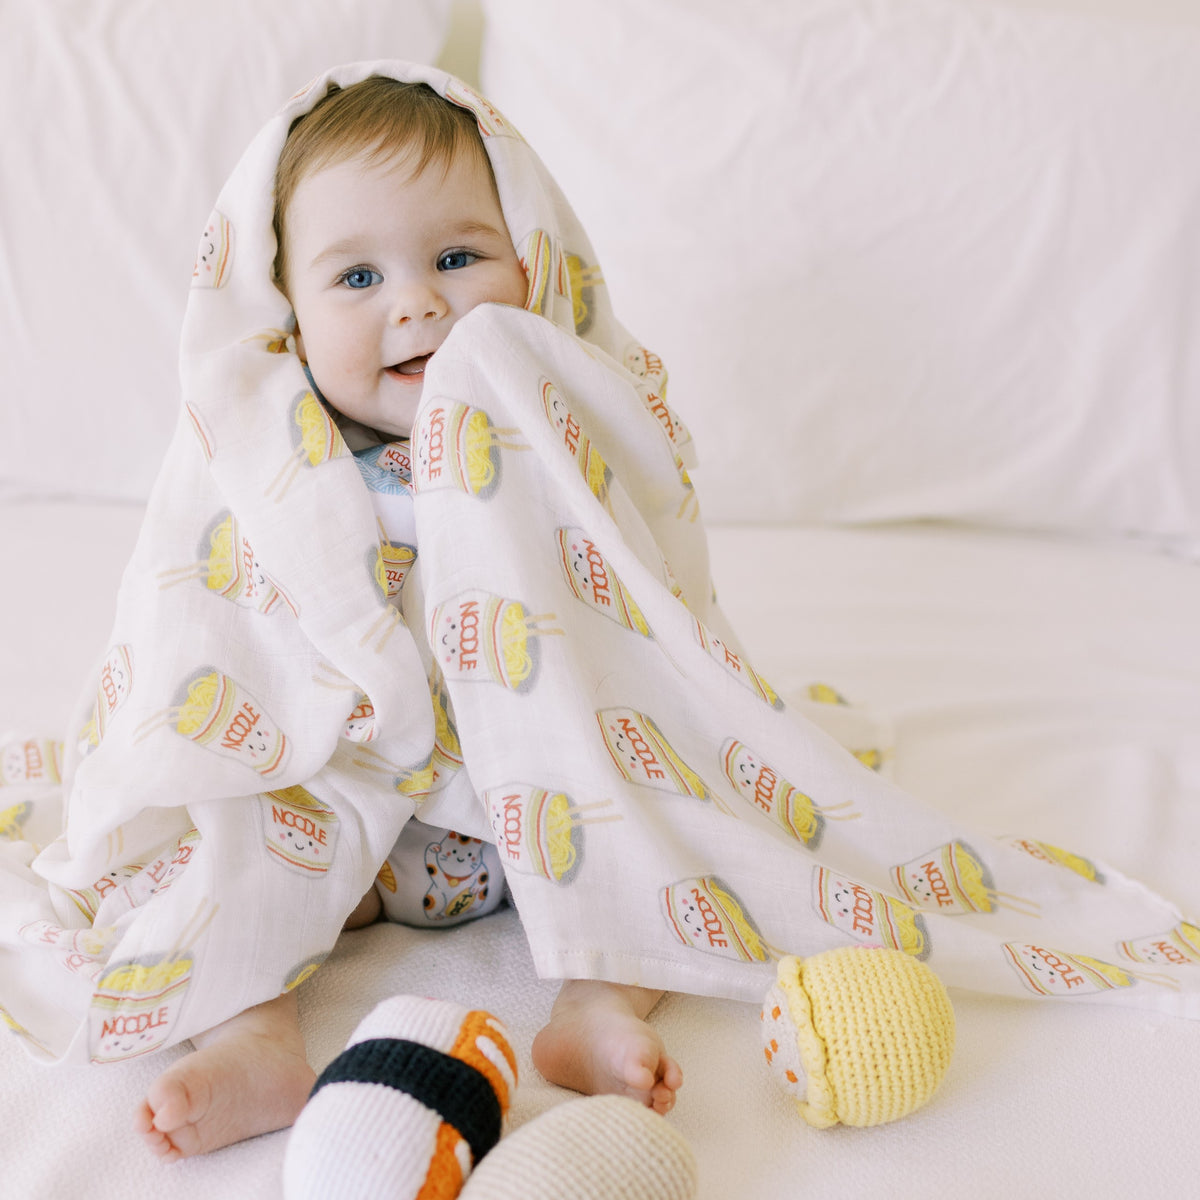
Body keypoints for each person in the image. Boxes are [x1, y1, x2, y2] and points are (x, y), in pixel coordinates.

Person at [135, 74, 681, 1163]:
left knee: (653, 839)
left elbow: (648, 626)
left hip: (536, 819)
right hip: (355, 842)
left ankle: (594, 1007)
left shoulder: (569, 438)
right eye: (358, 276)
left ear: (534, 260)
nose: (418, 302)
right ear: (285, 306)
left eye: (458, 258)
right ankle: (254, 1037)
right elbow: (218, 639)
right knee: (240, 856)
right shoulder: (274, 475)